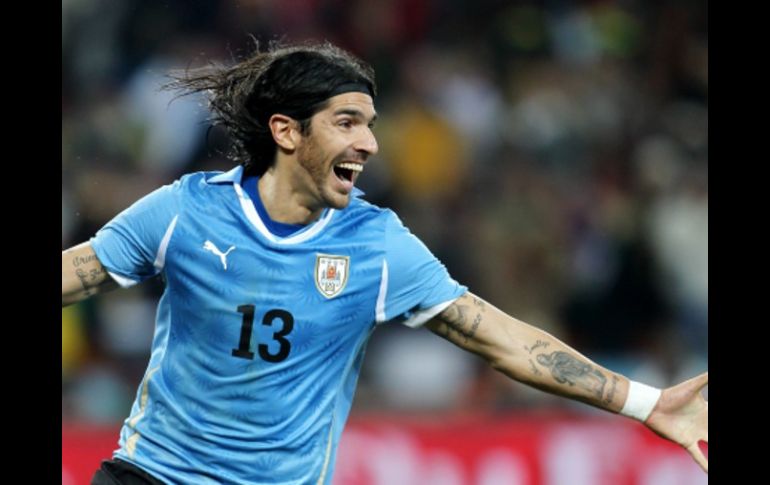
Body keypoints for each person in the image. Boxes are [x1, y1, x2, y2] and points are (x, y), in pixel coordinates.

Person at [61, 41, 707, 484]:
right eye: (347, 123)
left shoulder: (376, 243)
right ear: (287, 131)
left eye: (369, 124)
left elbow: (502, 340)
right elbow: (75, 274)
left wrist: (644, 401)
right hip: (151, 475)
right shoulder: (185, 211)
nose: (368, 143)